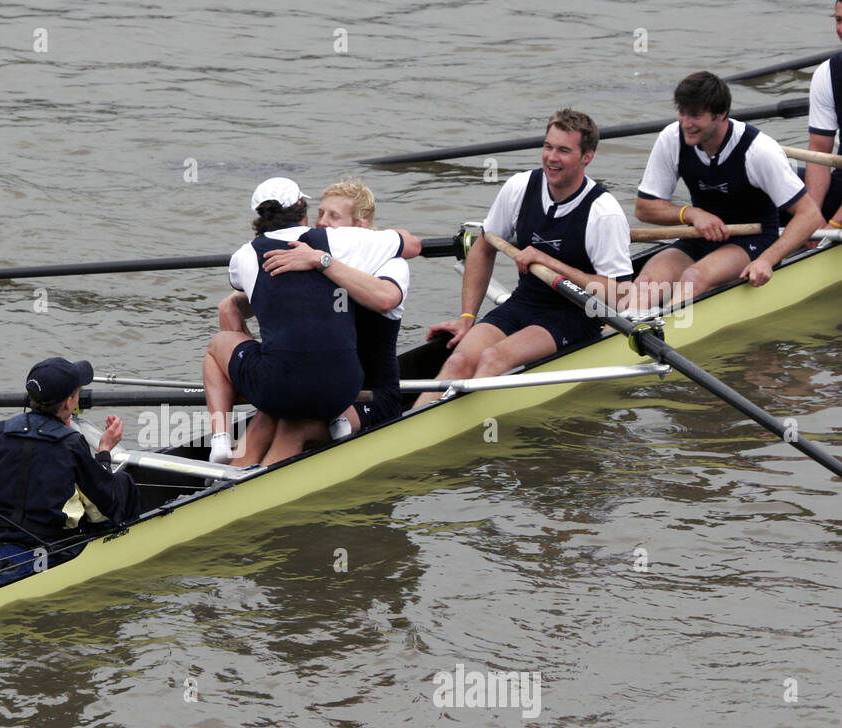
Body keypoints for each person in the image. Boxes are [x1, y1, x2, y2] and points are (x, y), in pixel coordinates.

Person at [413, 109, 633, 409]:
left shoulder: (603, 212)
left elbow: (620, 295)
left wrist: (551, 263)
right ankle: (414, 422)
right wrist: (467, 318)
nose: (551, 158)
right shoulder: (519, 187)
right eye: (548, 147)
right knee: (458, 362)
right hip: (524, 302)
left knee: (493, 358)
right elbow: (483, 246)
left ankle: (456, 429)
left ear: (587, 156)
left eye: (564, 150)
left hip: (574, 314)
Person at [203, 177, 420, 466]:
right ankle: (223, 481)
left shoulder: (389, 263)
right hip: (333, 384)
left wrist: (322, 261)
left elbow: (385, 298)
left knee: (291, 427)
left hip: (373, 394)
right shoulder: (320, 249)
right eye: (320, 214)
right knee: (267, 417)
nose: (322, 224)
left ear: (362, 227)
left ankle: (250, 489)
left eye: (334, 217)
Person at [632, 72, 824, 308]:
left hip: (753, 239)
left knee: (693, 278)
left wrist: (766, 261)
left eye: (695, 116)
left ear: (721, 114)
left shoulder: (759, 151)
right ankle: (615, 337)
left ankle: (669, 330)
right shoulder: (672, 138)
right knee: (645, 283)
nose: (685, 123)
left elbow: (810, 215)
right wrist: (691, 214)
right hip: (701, 236)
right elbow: (644, 208)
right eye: (682, 112)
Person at [0, 357, 141, 553]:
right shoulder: (70, 442)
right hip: (50, 543)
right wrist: (104, 450)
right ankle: (128, 545)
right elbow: (102, 508)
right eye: (78, 392)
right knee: (122, 482)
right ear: (69, 403)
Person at [805, 2, 842, 229]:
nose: (841, 29)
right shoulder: (828, 73)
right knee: (768, 187)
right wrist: (811, 216)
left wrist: (835, 226)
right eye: (839, 20)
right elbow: (819, 150)